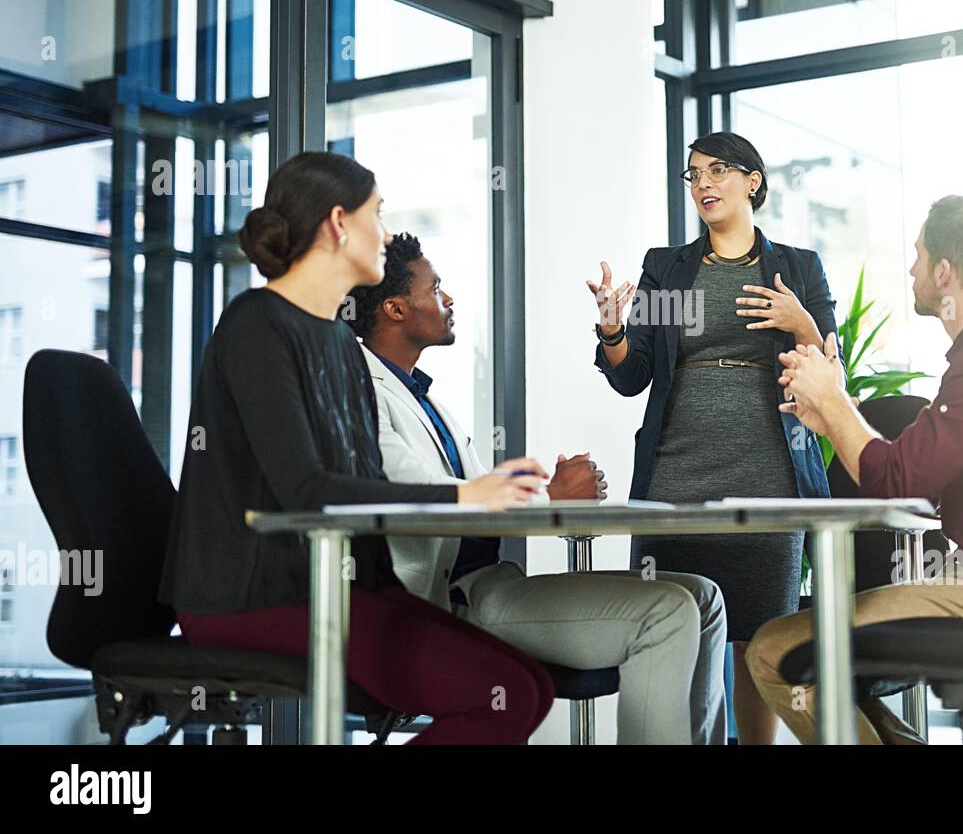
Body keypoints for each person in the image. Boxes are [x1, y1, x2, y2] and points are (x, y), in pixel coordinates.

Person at [158, 151, 555, 744]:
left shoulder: (342, 347)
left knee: (531, 687)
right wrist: (465, 495)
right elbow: (309, 491)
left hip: (336, 587)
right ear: (339, 224)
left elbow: (364, 483)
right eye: (378, 213)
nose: (386, 231)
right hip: (248, 596)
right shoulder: (256, 325)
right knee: (506, 698)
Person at [344, 232, 728, 745]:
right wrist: (549, 499)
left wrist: (551, 492)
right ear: (394, 308)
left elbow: (472, 494)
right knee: (667, 610)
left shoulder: (425, 398)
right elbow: (421, 495)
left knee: (703, 596)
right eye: (436, 289)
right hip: (452, 602)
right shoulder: (362, 391)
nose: (450, 299)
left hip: (496, 583)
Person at [746, 194, 963, 744]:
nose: (913, 269)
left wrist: (833, 404)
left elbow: (893, 481)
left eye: (920, 256)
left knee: (775, 651)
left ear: (945, 272)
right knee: (820, 661)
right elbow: (909, 468)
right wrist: (834, 415)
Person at [588, 131, 839, 744]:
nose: (702, 182)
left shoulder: (798, 268)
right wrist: (613, 329)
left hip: (768, 483)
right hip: (675, 481)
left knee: (761, 643)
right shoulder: (667, 267)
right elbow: (632, 375)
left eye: (719, 169)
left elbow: (832, 373)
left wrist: (800, 322)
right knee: (676, 636)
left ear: (753, 180)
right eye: (693, 172)